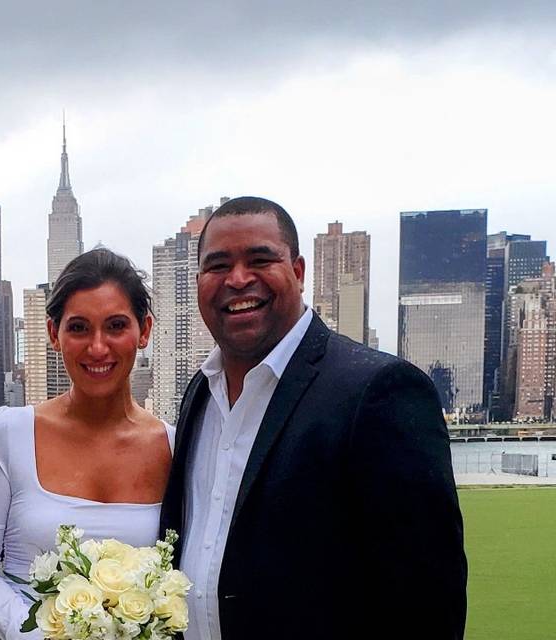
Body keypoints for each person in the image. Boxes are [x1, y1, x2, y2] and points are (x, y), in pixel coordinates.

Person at [160, 196, 467, 639]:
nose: (239, 279)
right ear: (198, 281)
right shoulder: (200, 393)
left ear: (298, 272)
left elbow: (428, 601)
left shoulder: (379, 392)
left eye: (260, 259)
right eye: (218, 265)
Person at [0, 248, 173, 640]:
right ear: (52, 334)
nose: (97, 347)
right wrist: (37, 635)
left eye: (115, 326)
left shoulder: (177, 447)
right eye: (78, 328)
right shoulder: (7, 433)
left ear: (143, 331)